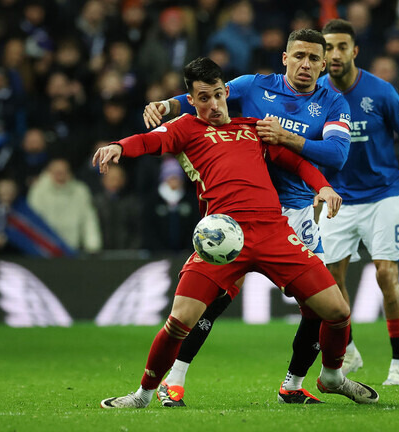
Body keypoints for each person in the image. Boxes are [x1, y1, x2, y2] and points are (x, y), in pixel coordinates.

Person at [96, 57, 379, 409]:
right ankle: (143, 395)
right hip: (223, 239)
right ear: (192, 100)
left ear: (226, 91)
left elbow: (296, 161)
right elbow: (149, 140)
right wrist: (120, 146)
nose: (213, 105)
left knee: (337, 311)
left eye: (217, 95)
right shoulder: (185, 128)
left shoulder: (254, 128)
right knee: (179, 321)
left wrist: (322, 187)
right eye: (203, 98)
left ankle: (333, 376)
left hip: (275, 233)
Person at [143, 28, 351, 406]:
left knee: (317, 307)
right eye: (299, 56)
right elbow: (208, 96)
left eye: (314, 59)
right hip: (240, 210)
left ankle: (293, 384)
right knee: (214, 299)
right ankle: (174, 380)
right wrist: (168, 106)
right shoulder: (254, 86)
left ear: (323, 65)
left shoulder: (334, 103)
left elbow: (336, 156)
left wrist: (286, 138)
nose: (306, 64)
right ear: (284, 58)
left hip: (298, 210)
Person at [314, 19, 399, 385]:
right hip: (338, 198)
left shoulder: (380, 93)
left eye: (341, 47)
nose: (334, 54)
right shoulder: (314, 93)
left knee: (386, 274)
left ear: (354, 50)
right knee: (330, 282)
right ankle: (348, 350)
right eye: (328, 48)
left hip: (384, 195)